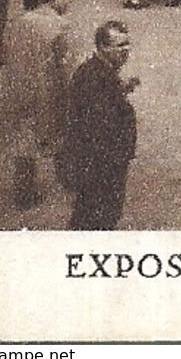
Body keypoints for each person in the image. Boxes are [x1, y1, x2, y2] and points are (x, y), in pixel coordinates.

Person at [0, 0, 73, 211]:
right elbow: (65, 63)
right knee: (60, 132)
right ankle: (68, 178)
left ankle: (24, 190)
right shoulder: (59, 26)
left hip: (20, 87)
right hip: (48, 88)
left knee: (23, 140)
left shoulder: (18, 23)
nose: (69, 0)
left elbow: (7, 53)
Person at [60, 20, 140, 230]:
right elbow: (97, 123)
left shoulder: (99, 71)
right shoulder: (93, 77)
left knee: (99, 213)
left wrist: (121, 89)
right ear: (102, 47)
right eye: (119, 46)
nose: (126, 51)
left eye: (127, 44)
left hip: (105, 161)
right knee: (98, 215)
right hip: (101, 163)